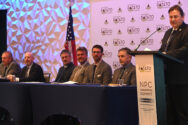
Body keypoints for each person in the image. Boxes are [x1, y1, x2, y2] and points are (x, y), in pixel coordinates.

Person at [159, 5, 188, 125]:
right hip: (167, 78)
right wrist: (158, 54)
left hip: (182, 78)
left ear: (182, 17)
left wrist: (167, 54)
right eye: (170, 17)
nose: (172, 19)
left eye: (175, 16)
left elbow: (185, 49)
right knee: (170, 112)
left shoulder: (187, 30)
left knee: (182, 112)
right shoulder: (168, 32)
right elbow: (162, 49)